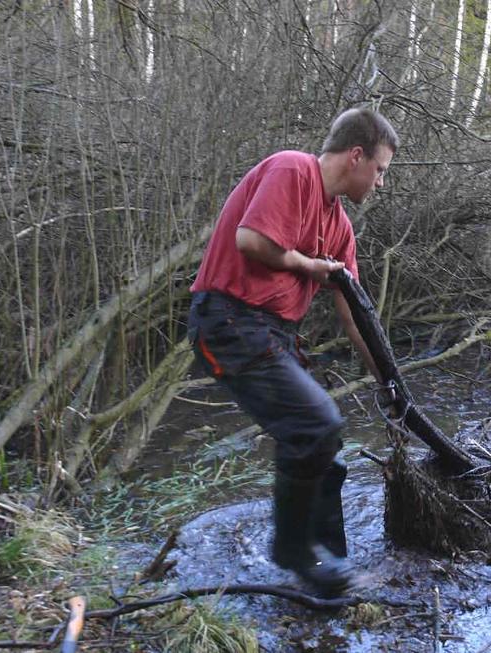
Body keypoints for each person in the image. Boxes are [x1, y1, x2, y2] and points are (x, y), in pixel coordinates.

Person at [187, 107, 398, 596]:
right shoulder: (291, 169)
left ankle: (330, 572)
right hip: (227, 323)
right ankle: (294, 553)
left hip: (270, 335)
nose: (382, 182)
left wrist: (391, 386)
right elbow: (250, 240)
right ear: (356, 156)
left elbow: (354, 315)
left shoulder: (340, 226)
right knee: (315, 424)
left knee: (328, 453)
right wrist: (309, 265)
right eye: (381, 170)